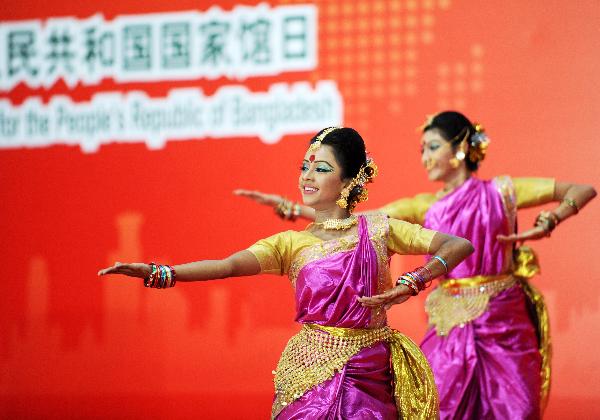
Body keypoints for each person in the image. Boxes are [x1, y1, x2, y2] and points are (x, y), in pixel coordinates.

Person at [234, 112, 597, 419]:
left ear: (462, 147)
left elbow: (580, 190)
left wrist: (551, 220)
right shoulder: (424, 204)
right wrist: (294, 208)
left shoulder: (502, 192)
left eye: (433, 147)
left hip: (504, 318)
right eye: (422, 149)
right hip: (450, 324)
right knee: (446, 404)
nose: (425, 157)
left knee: (516, 406)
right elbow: (353, 220)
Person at [99, 127, 475, 419]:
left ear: (349, 181)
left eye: (322, 168)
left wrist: (413, 282)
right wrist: (160, 272)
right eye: (305, 167)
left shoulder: (380, 230)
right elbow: (227, 266)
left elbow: (457, 244)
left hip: (369, 371)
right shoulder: (291, 244)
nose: (308, 176)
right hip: (308, 369)